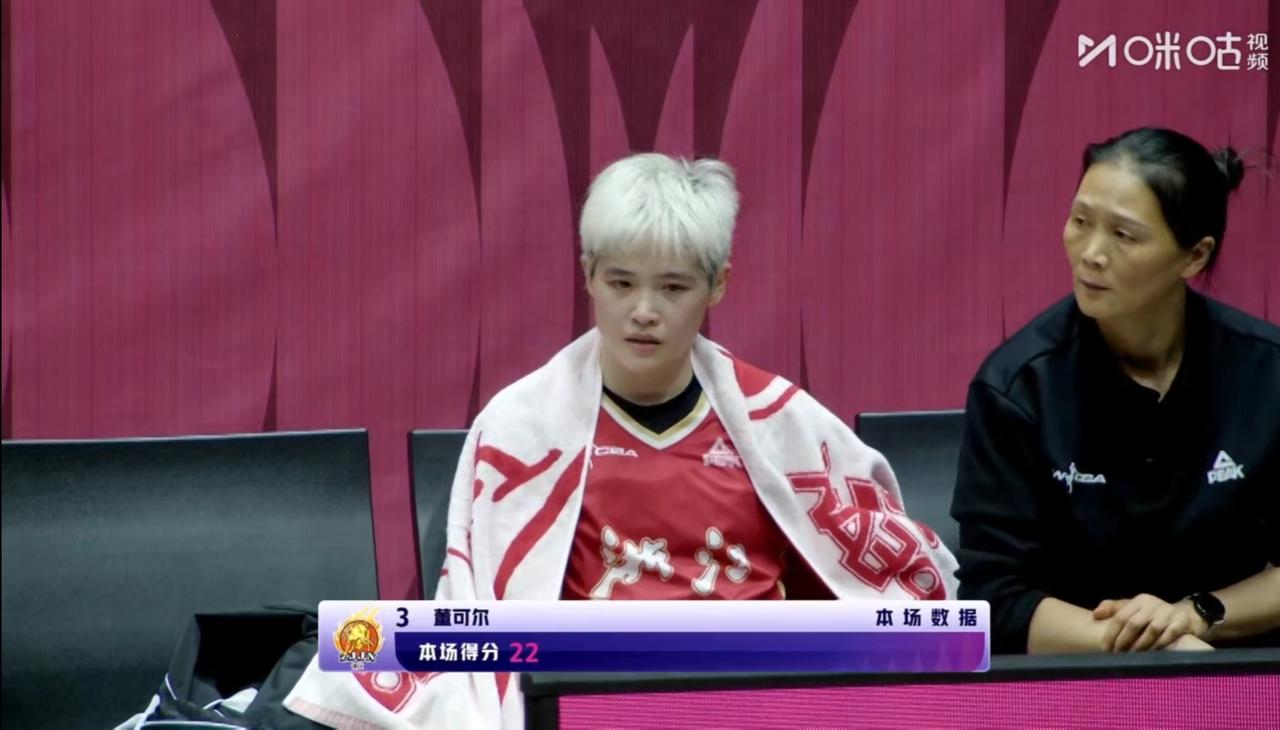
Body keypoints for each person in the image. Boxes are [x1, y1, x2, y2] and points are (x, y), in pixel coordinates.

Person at [284, 153, 957, 728]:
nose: (643, 311)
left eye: (673, 287)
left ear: (718, 286)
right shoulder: (520, 423)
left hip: (746, 684)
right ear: (588, 276)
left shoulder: (782, 421)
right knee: (350, 648)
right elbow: (477, 608)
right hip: (580, 680)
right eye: (621, 283)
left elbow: (899, 592)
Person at [952, 127, 1280, 655]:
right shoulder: (1017, 387)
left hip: (1239, 665)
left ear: (1195, 256)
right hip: (1079, 672)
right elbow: (995, 596)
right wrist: (1154, 648)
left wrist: (1196, 615)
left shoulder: (1267, 371)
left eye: (1124, 235)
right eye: (1080, 221)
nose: (1091, 254)